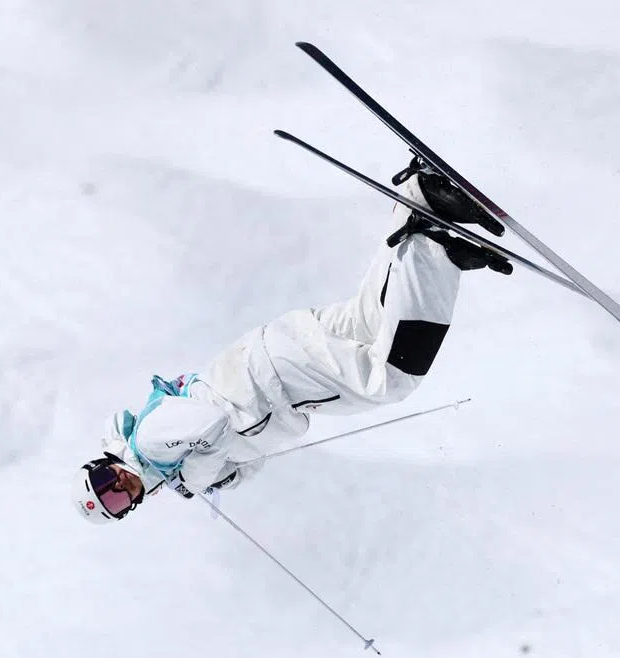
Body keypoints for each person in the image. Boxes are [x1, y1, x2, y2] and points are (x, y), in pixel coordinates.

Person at [70, 158, 511, 524]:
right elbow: (249, 454)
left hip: (277, 381)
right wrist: (225, 476)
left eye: (107, 480)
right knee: (370, 321)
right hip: (275, 358)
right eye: (114, 501)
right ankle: (416, 202)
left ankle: (431, 249)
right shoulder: (167, 465)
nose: (119, 487)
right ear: (128, 509)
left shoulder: (148, 442)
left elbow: (212, 425)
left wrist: (202, 475)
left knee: (390, 379)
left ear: (103, 462)